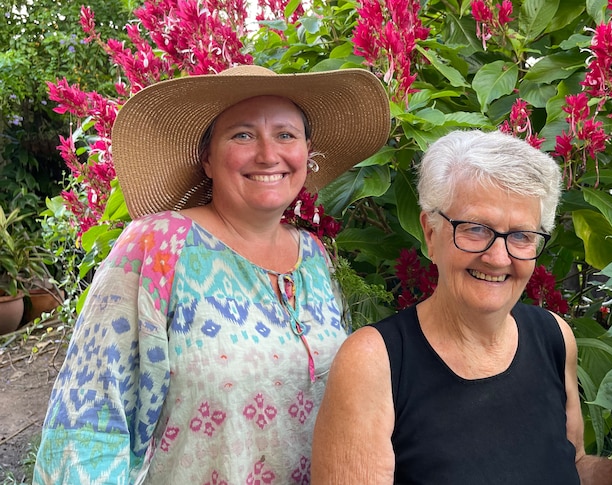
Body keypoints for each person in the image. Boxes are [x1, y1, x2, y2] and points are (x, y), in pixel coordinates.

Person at [310, 129, 612, 485]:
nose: (498, 258)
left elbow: (575, 469)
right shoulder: (374, 362)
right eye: (476, 229)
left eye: (521, 236)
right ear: (430, 232)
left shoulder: (553, 336)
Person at [33, 64, 390, 484]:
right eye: (242, 134)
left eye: (286, 134)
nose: (268, 154)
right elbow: (88, 417)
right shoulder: (157, 245)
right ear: (206, 158)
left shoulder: (314, 256)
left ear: (307, 154)